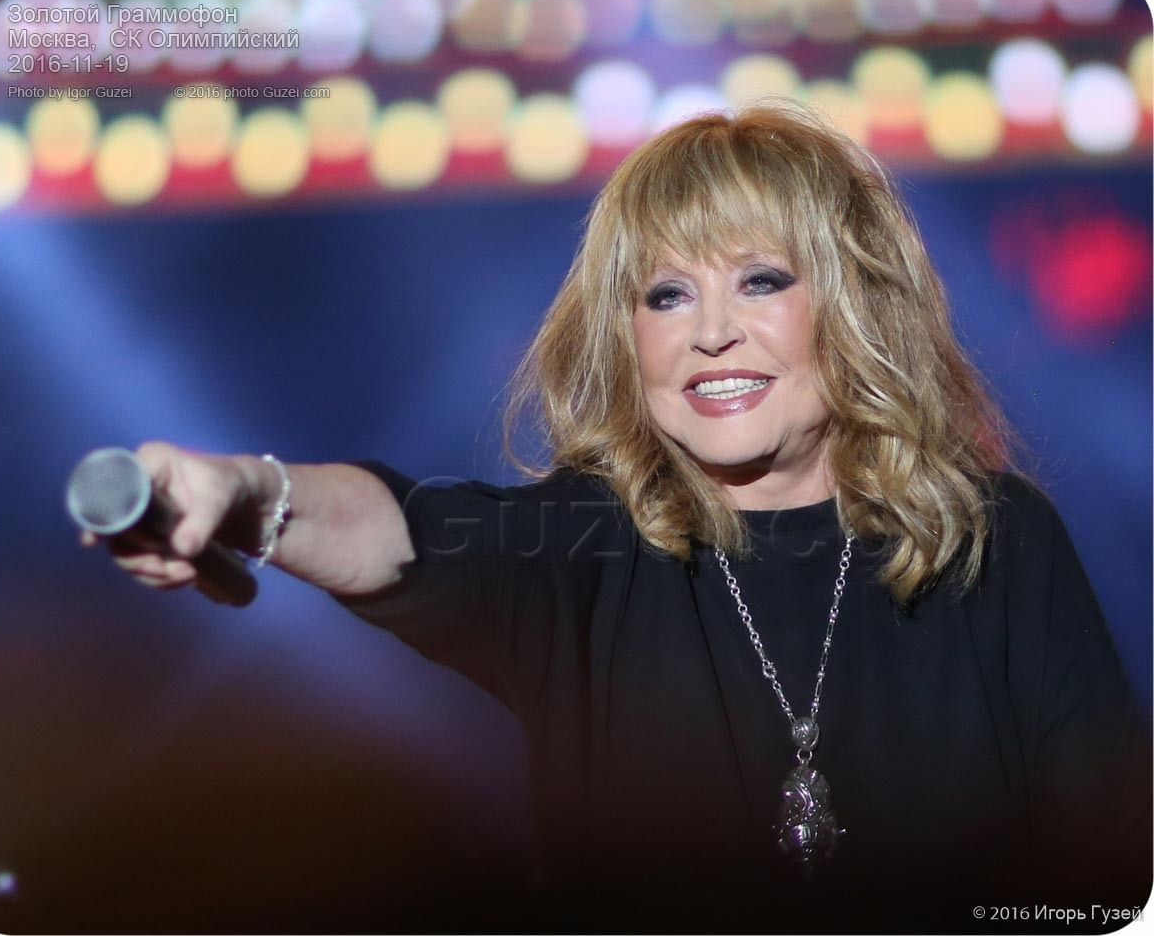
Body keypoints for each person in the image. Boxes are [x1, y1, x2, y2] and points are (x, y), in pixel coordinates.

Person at [82, 103, 1149, 931]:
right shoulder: (587, 542)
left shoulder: (993, 539)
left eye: (761, 280)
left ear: (857, 305)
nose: (710, 333)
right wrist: (253, 493)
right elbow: (399, 534)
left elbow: (1102, 877)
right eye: (665, 295)